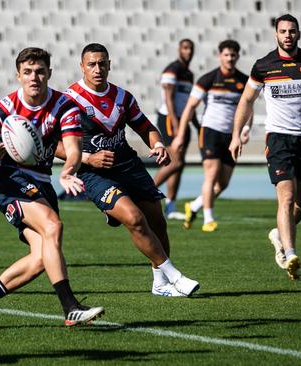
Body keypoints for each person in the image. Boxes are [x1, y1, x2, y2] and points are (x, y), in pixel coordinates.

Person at [0, 47, 104, 330]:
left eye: (40, 71)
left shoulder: (64, 106)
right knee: (53, 227)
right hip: (10, 182)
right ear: (18, 76)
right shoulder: (4, 109)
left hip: (42, 184)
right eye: (27, 72)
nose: (34, 77)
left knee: (42, 257)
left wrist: (68, 170)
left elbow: (74, 150)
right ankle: (71, 307)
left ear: (49, 73)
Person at [61, 43, 200, 297]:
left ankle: (159, 284)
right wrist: (88, 159)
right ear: (81, 67)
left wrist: (157, 144)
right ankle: (175, 276)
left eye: (102, 63)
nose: (97, 68)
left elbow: (145, 126)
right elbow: (55, 145)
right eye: (91, 64)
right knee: (135, 219)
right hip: (95, 173)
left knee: (157, 220)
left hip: (128, 165)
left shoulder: (122, 97)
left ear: (110, 65)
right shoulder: (68, 101)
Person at [230, 14, 301, 280]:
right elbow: (246, 101)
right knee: (287, 197)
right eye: (283, 31)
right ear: (276, 35)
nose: (288, 35)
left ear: (299, 34)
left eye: (292, 31)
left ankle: (279, 236)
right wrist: (236, 135)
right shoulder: (264, 66)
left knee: (300, 205)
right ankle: (290, 254)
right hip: (279, 139)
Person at [172, 40, 250, 232]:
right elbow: (190, 106)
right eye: (226, 55)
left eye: (233, 55)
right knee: (212, 174)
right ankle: (208, 218)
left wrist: (244, 130)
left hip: (231, 136)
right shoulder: (208, 79)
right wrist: (181, 134)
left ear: (237, 57)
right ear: (219, 56)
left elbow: (248, 106)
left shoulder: (244, 81)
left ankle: (194, 206)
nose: (230, 58)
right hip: (210, 132)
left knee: (223, 183)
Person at [153, 39, 197, 220]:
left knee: (179, 166)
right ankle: (143, 191)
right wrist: (176, 124)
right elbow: (169, 98)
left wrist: (194, 123)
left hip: (182, 120)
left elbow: (187, 102)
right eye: (185, 48)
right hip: (170, 119)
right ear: (179, 50)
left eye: (191, 49)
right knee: (175, 162)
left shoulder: (189, 74)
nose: (188, 52)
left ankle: (170, 207)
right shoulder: (173, 69)